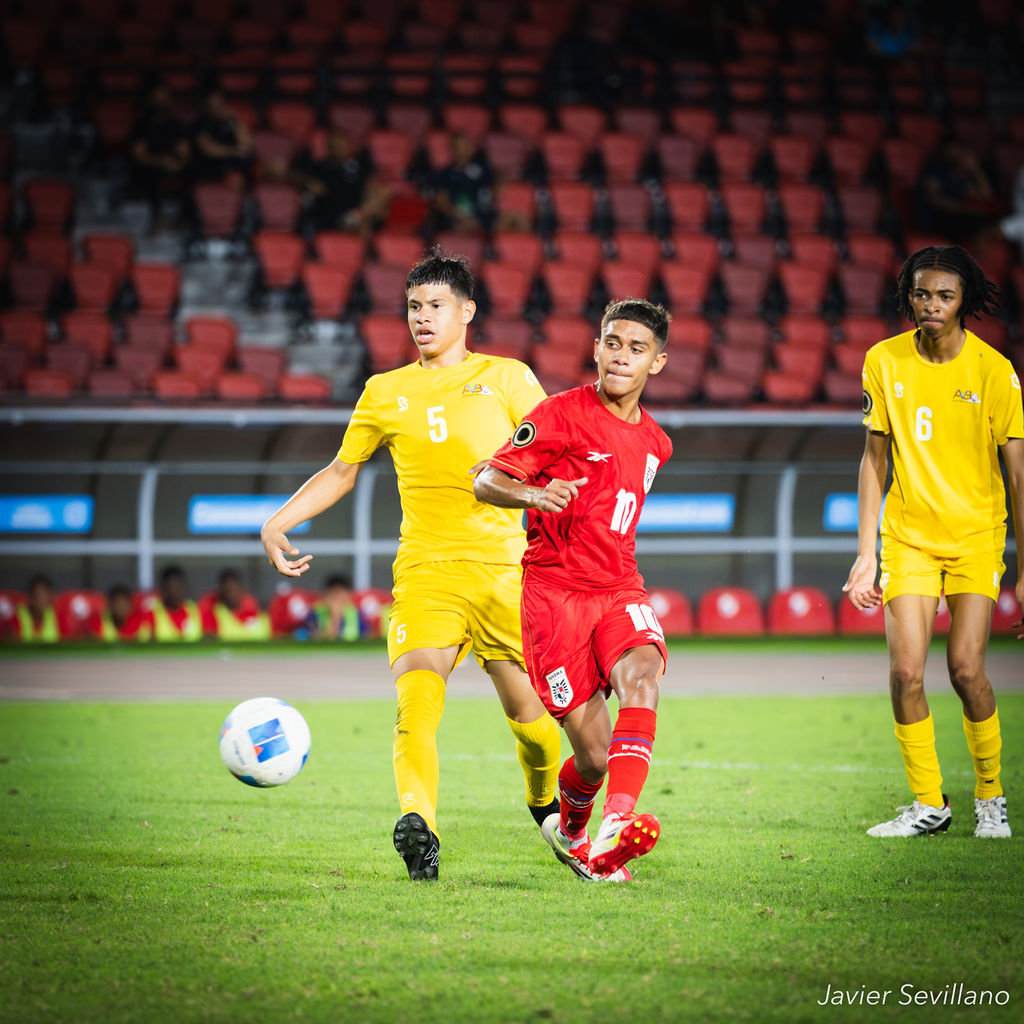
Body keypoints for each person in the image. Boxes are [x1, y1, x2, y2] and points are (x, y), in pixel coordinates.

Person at [261, 250, 562, 881]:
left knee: (532, 725)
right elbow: (343, 471)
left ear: (467, 311)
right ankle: (418, 824)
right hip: (426, 573)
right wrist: (279, 520)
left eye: (435, 306)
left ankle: (545, 803)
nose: (421, 319)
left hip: (508, 574)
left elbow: (556, 455)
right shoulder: (385, 391)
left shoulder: (508, 378)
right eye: (413, 307)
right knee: (417, 696)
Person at [474, 298, 673, 881]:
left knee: (643, 676)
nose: (621, 356)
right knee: (592, 754)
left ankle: (616, 822)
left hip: (618, 589)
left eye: (637, 348)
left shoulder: (658, 444)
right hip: (554, 598)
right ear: (596, 348)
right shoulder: (559, 415)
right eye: (613, 343)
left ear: (656, 363)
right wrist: (534, 495)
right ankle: (574, 830)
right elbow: (487, 481)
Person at [843, 245, 1024, 840]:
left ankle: (991, 796)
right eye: (921, 293)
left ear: (965, 300)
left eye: (945, 295)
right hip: (909, 539)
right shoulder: (883, 361)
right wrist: (866, 553)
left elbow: (1018, 475)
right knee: (906, 674)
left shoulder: (995, 373)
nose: (931, 305)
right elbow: (874, 461)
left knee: (967, 668)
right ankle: (929, 804)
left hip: (975, 537)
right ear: (908, 297)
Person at [293, 130, 391, 235]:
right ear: (329, 147)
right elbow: (296, 175)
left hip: (356, 212)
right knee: (363, 228)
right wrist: (309, 182)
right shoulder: (320, 167)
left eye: (342, 144)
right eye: (335, 145)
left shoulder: (357, 166)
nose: (339, 148)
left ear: (348, 145)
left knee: (385, 192)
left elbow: (370, 184)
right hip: (332, 214)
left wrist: (365, 209)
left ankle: (358, 217)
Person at [129, 83, 189, 227]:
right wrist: (161, 161)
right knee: (153, 175)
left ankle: (185, 218)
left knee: (193, 171)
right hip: (150, 165)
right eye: (157, 98)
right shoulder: (142, 124)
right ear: (150, 100)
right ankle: (156, 218)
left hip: (172, 164)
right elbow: (139, 155)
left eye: (164, 98)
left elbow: (184, 150)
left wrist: (179, 163)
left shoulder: (174, 124)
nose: (161, 102)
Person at [429, 132, 493, 234]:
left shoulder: (484, 170)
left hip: (479, 216)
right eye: (462, 145)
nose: (467, 148)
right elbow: (442, 202)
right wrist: (459, 215)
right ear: (453, 149)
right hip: (454, 217)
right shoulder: (444, 174)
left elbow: (490, 196)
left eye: (468, 144)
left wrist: (476, 217)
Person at [191, 89, 254, 186]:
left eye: (219, 105)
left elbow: (247, 143)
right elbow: (208, 150)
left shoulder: (229, 120)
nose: (216, 109)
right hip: (212, 166)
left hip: (236, 163)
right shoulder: (199, 124)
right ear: (205, 106)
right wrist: (234, 151)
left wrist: (236, 119)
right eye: (212, 106)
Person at [201, 568, 270, 641]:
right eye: (228, 590)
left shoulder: (254, 608)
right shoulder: (216, 612)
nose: (231, 594)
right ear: (222, 591)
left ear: (240, 588)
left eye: (234, 589)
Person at [148, 566, 202, 642]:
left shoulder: (196, 611)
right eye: (170, 588)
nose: (174, 593)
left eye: (177, 588)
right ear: (163, 588)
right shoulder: (151, 612)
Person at [308, 573, 362, 641]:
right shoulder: (316, 612)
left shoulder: (356, 613)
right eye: (334, 593)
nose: (337, 598)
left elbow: (366, 635)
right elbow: (308, 635)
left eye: (340, 593)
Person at [14, 575, 60, 643]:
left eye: (44, 596)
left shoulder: (57, 616)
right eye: (37, 596)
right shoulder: (17, 616)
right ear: (30, 597)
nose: (41, 600)